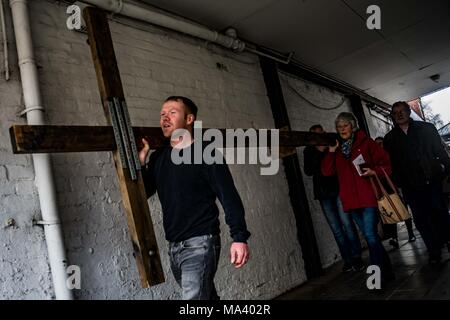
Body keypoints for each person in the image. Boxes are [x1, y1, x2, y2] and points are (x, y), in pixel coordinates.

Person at [139, 96, 251, 299]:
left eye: (172, 112)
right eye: (162, 114)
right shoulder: (159, 158)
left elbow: (229, 197)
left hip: (201, 243)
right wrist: (141, 164)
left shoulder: (206, 153)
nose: (165, 117)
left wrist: (239, 237)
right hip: (174, 246)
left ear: (189, 119)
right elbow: (145, 192)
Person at [322, 112, 394, 287]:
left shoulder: (367, 143)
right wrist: (331, 153)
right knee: (372, 238)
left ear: (353, 125)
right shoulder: (337, 150)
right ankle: (388, 272)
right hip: (351, 202)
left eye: (345, 125)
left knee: (370, 235)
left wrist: (373, 171)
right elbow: (326, 172)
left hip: (369, 197)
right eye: (339, 127)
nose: (342, 129)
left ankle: (376, 280)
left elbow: (387, 164)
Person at [383, 101, 450, 264]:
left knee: (439, 213)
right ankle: (433, 251)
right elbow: (391, 164)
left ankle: (448, 241)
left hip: (433, 180)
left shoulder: (426, 128)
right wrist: (397, 184)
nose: (399, 114)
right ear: (392, 116)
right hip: (410, 186)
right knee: (420, 219)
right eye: (395, 112)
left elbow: (440, 152)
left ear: (408, 112)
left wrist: (448, 171)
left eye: (402, 111)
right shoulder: (390, 139)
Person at [303, 124, 363, 272]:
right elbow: (309, 171)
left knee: (347, 225)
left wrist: (329, 151)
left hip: (338, 190)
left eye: (320, 133)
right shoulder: (309, 150)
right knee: (336, 229)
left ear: (324, 133)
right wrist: (319, 152)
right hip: (324, 194)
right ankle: (348, 260)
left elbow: (339, 166)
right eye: (315, 135)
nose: (319, 137)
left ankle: (357, 258)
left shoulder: (334, 146)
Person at [374, 136, 416, 250]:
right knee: (390, 212)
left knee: (404, 210)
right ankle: (395, 238)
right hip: (385, 189)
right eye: (376, 144)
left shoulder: (391, 155)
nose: (379, 146)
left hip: (396, 186)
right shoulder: (375, 158)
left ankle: (411, 234)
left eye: (380, 143)